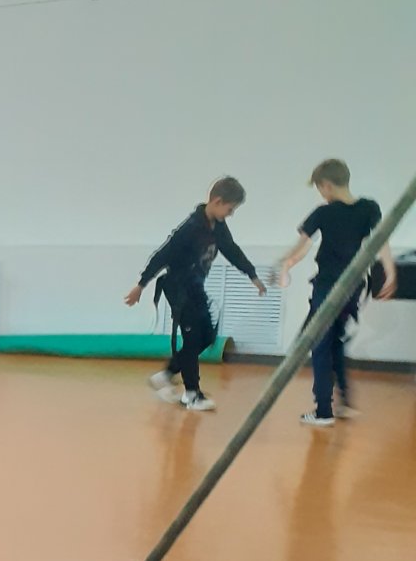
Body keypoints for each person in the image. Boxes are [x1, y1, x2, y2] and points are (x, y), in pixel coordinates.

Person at [125, 177, 267, 412]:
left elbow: (231, 250)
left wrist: (252, 275)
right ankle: (191, 394)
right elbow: (162, 255)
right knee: (192, 339)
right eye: (230, 209)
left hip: (195, 287)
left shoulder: (218, 226)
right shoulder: (190, 228)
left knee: (207, 336)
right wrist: (141, 285)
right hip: (178, 287)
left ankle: (166, 375)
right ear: (217, 201)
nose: (231, 214)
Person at [275, 159, 397, 426]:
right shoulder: (369, 207)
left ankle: (323, 411)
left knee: (319, 344)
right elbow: (381, 241)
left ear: (326, 185)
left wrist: (285, 263)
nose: (321, 194)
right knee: (335, 341)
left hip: (329, 286)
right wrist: (389, 270)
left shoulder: (324, 212)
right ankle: (344, 403)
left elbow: (302, 246)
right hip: (353, 287)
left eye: (320, 189)